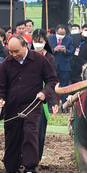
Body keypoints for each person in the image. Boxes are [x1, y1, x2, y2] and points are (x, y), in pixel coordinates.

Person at [0, 35, 58, 173]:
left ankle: (30, 168)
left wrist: (45, 93)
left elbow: (52, 79)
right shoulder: (7, 63)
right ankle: (12, 166)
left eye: (16, 51)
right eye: (11, 52)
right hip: (12, 106)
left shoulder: (39, 60)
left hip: (32, 105)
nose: (14, 55)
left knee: (30, 132)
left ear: (25, 46)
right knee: (12, 135)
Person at [32, 29, 58, 161]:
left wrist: (54, 101)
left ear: (45, 42)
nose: (37, 44)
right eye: (35, 42)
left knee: (38, 130)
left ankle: (35, 158)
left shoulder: (49, 58)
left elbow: (51, 81)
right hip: (27, 94)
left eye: (40, 42)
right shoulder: (28, 55)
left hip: (42, 97)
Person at [47, 24, 73, 111]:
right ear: (56, 32)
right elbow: (46, 51)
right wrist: (54, 49)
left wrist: (65, 50)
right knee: (52, 85)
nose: (61, 36)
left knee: (64, 87)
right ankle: (52, 105)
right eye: (60, 34)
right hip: (52, 65)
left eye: (63, 34)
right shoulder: (50, 38)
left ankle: (64, 106)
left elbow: (71, 51)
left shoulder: (69, 39)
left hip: (64, 66)